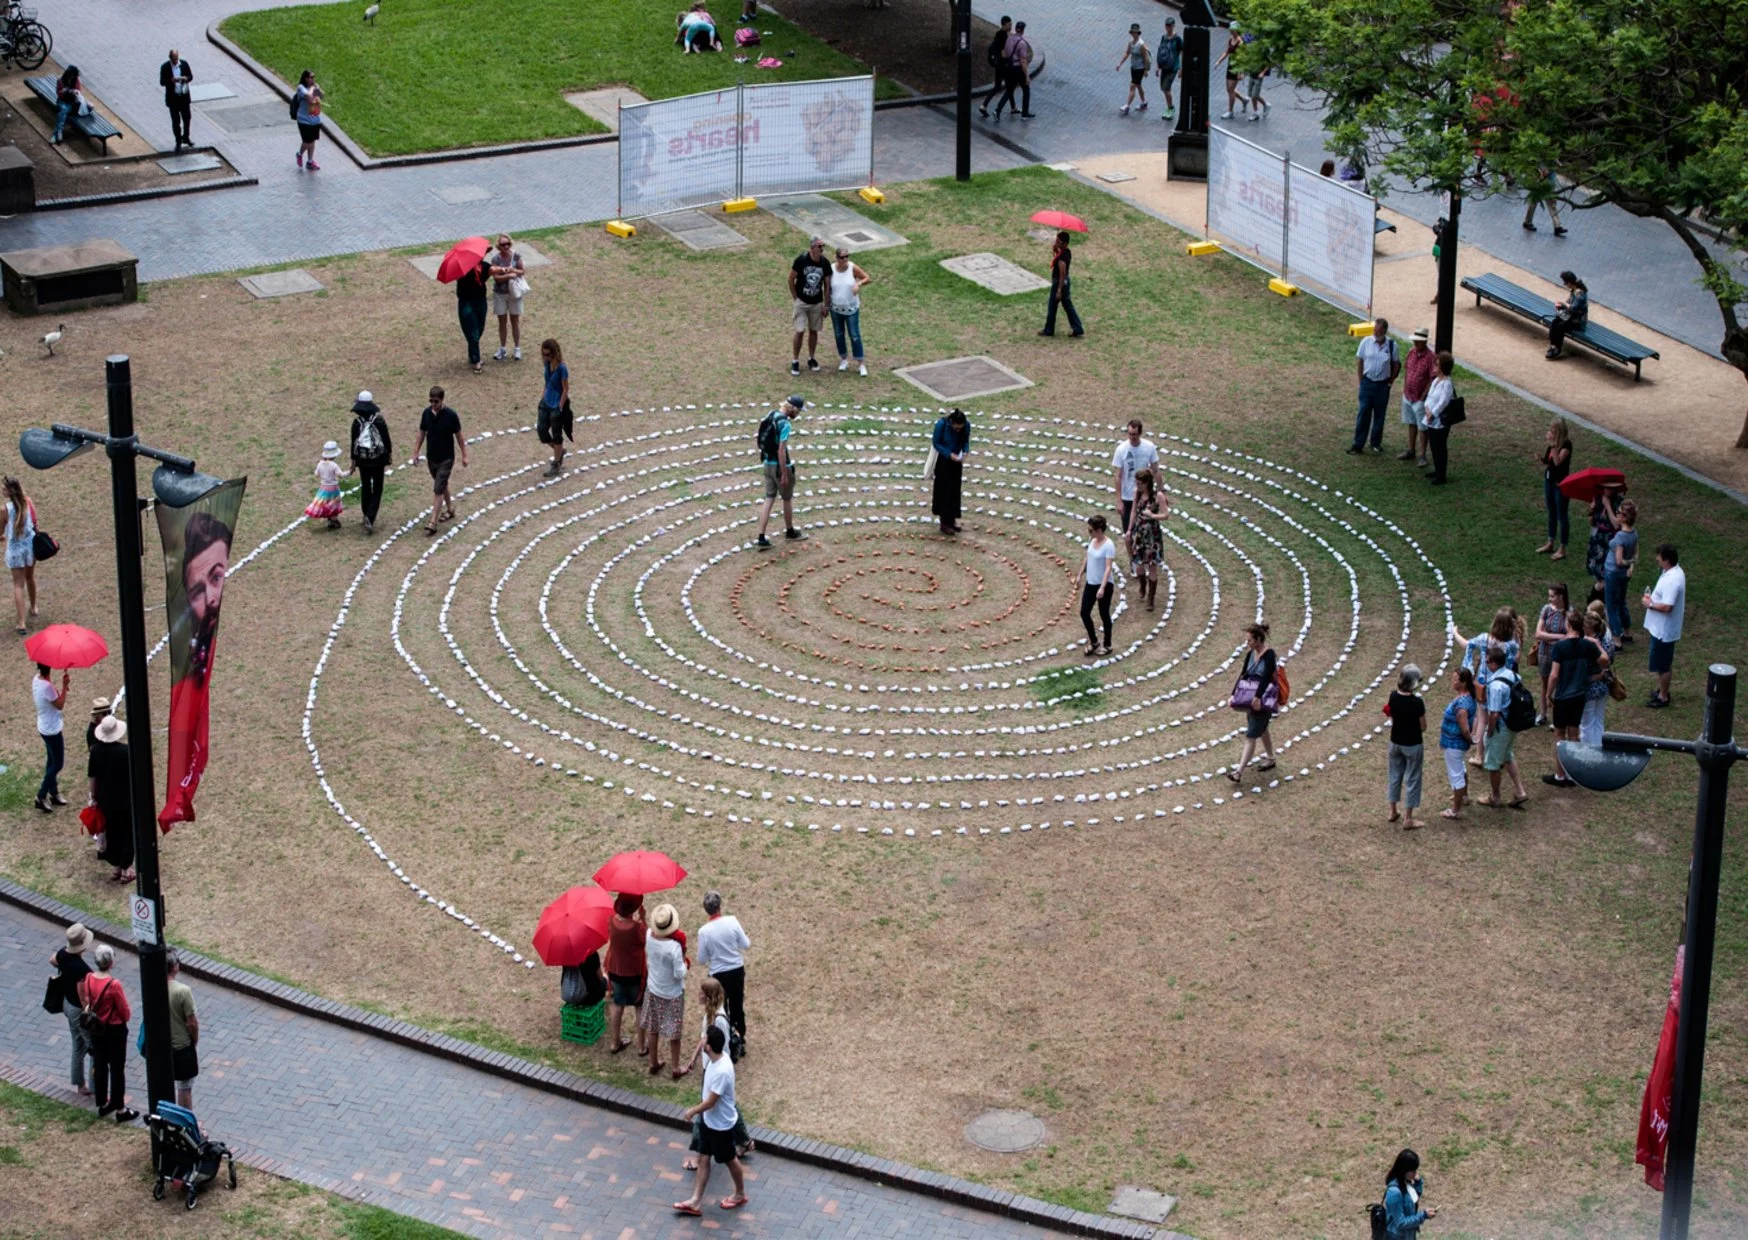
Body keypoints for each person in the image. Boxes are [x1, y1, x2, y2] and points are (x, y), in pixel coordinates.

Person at [672, 1026, 749, 1216]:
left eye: (705, 1039)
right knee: (703, 1157)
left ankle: (740, 1194)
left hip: (720, 1126)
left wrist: (692, 1111)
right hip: (709, 1121)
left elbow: (711, 1102)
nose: (702, 1040)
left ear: (709, 1046)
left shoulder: (722, 1071)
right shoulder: (715, 1058)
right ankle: (695, 1201)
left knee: (730, 1160)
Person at [1545, 608, 1606, 786]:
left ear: (1569, 625)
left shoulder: (1560, 647)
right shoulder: (1587, 646)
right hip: (1579, 696)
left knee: (1559, 735)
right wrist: (1597, 644)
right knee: (1574, 735)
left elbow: (1554, 675)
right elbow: (1605, 660)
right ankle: (1573, 774)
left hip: (1563, 696)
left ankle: (1560, 774)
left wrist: (1548, 694)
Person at [1454, 607, 1522, 765]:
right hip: (1503, 686)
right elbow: (1516, 659)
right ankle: (1500, 753)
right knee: (1500, 717)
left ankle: (1479, 755)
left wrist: (1455, 633)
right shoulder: (1511, 645)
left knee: (1482, 719)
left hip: (1484, 687)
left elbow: (1467, 645)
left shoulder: (1484, 639)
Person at [79, 944, 139, 1122]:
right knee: (117, 1068)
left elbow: (88, 1000)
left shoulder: (89, 978)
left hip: (97, 1028)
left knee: (100, 1063)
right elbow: (125, 1012)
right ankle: (120, 1108)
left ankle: (102, 1102)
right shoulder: (114, 985)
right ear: (111, 962)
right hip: (115, 1029)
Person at [409, 387, 468, 536]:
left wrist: (464, 455)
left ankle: (433, 522)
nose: (433, 404)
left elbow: (459, 436)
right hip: (432, 458)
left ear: (442, 400)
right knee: (441, 484)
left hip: (446, 458)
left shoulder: (451, 415)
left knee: (438, 489)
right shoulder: (426, 414)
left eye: (436, 401)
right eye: (431, 401)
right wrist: (416, 451)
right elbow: (422, 432)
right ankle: (450, 509)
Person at [695, 891, 751, 1047]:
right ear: (719, 906)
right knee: (737, 1005)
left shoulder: (704, 932)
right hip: (736, 970)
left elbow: (702, 959)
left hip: (718, 974)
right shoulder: (732, 921)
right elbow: (746, 944)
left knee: (720, 1008)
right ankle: (739, 1037)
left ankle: (724, 1039)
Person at [1477, 647, 1529, 809]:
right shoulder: (1513, 675)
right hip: (1513, 724)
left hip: (1501, 728)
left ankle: (1495, 797)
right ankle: (1520, 791)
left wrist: (1490, 732)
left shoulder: (1496, 686)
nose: (1486, 664)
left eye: (1487, 662)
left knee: (1493, 765)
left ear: (1494, 663)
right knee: (1507, 756)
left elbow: (1494, 713)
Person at [642, 903, 689, 1079]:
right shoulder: (674, 947)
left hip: (654, 988)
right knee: (674, 1033)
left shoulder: (649, 936)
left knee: (653, 1028)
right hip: (672, 994)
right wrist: (685, 963)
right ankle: (675, 1067)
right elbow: (679, 974)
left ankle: (653, 1062)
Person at [754, 395, 805, 549]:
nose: (798, 414)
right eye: (798, 411)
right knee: (787, 498)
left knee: (769, 498)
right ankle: (790, 532)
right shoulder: (785, 424)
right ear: (793, 409)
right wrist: (784, 473)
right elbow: (781, 450)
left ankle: (761, 537)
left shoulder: (770, 415)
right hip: (780, 466)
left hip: (767, 463)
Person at [1228, 622, 1278, 779]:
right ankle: (1271, 758)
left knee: (1251, 736)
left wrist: (1257, 697)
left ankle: (1238, 772)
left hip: (1263, 700)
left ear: (1258, 639)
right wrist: (1233, 694)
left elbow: (1266, 678)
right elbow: (1243, 675)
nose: (1247, 643)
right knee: (1262, 729)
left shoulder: (1269, 655)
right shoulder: (1250, 654)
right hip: (1250, 698)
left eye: (1249, 640)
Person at [89, 714, 134, 881]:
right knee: (126, 832)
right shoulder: (125, 751)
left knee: (111, 832)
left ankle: (115, 866)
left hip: (105, 800)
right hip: (124, 799)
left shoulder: (95, 751)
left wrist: (93, 797)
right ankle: (126, 869)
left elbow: (92, 777)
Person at [52, 923, 95, 1095]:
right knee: (94, 1048)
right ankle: (95, 1086)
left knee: (77, 1044)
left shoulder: (62, 954)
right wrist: (89, 1013)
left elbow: (52, 959)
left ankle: (79, 1084)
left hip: (67, 1004)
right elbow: (83, 997)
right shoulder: (82, 969)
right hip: (78, 1010)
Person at [1641, 543, 1685, 709]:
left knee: (1663, 665)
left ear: (1667, 560)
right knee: (1662, 663)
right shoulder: (1672, 573)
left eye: (1659, 557)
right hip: (1661, 629)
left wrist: (1650, 604)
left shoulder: (1673, 580)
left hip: (1663, 631)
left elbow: (1667, 607)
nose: (1657, 559)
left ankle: (1663, 696)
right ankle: (1662, 690)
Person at [1348, 318, 1400, 455]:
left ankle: (1375, 443)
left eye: (1379, 331)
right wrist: (1361, 381)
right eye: (1374, 330)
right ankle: (1358, 444)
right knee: (1363, 413)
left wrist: (1390, 382)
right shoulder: (1366, 342)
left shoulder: (1392, 346)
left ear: (1385, 331)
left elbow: (1396, 364)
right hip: (1367, 383)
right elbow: (1360, 361)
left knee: (1379, 415)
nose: (1376, 333)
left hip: (1382, 385)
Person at [605, 893, 647, 1055]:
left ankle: (615, 1042)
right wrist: (643, 918)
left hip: (616, 970)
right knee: (639, 1006)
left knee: (617, 1004)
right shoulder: (638, 928)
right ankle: (642, 1046)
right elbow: (647, 940)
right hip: (634, 972)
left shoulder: (612, 921)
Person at [1385, 665, 1426, 829]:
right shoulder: (1417, 702)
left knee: (1394, 775)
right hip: (1412, 744)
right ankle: (1408, 819)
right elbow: (1423, 726)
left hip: (1395, 742)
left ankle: (1392, 811)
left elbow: (1391, 717)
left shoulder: (1393, 696)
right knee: (1413, 779)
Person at [347, 391, 392, 535]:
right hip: (378, 461)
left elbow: (353, 443)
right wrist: (389, 455)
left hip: (363, 461)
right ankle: (370, 517)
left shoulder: (356, 423)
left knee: (365, 486)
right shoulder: (379, 421)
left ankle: (365, 513)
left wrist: (353, 460)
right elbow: (386, 439)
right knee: (378, 488)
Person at [1126, 467, 1169, 612]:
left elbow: (1166, 514)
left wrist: (1152, 515)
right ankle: (1142, 584)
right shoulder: (1136, 493)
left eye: (1140, 484)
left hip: (1152, 535)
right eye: (1137, 483)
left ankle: (1151, 598)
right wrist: (1129, 529)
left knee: (1152, 566)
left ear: (1147, 483)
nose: (1137, 486)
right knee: (1138, 564)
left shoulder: (1158, 496)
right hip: (1139, 533)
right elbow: (1133, 511)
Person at [1438, 667, 1477, 820]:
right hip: (1455, 744)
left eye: (1455, 679)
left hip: (1454, 744)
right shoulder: (1465, 698)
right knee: (1460, 768)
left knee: (1456, 776)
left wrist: (1469, 739)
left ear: (1464, 682)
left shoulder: (1462, 705)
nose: (1452, 681)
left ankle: (1455, 810)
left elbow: (1465, 729)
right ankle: (1464, 796)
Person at [1075, 514, 1117, 658]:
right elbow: (1087, 557)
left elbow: (1108, 568)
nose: (1089, 532)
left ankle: (1108, 645)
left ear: (1099, 530)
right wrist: (1080, 574)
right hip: (1091, 583)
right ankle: (1094, 642)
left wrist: (1102, 587)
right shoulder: (1092, 540)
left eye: (1091, 530)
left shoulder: (1109, 545)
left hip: (1104, 585)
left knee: (1104, 614)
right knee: (1084, 612)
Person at [788, 237, 831, 376]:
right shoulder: (801, 260)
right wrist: (796, 298)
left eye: (823, 246)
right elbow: (791, 278)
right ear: (812, 247)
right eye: (819, 246)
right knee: (799, 330)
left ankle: (811, 358)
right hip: (802, 302)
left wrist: (826, 305)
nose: (822, 249)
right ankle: (795, 360)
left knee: (814, 331)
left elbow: (827, 285)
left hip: (816, 303)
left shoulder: (824, 263)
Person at [165, 950, 200, 1111]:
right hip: (182, 1045)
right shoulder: (183, 991)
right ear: (175, 967)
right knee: (185, 1088)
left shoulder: (154, 986)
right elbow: (192, 1023)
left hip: (164, 1045)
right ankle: (184, 1119)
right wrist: (195, 1039)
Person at [828, 247, 872, 375]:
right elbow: (827, 286)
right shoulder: (831, 269)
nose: (845, 259)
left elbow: (867, 278)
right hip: (836, 308)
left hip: (851, 308)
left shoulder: (852, 268)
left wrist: (858, 284)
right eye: (842, 257)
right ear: (837, 258)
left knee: (855, 335)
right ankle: (844, 359)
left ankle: (860, 363)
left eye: (847, 256)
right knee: (839, 334)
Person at [1531, 581, 1570, 726]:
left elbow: (1569, 637)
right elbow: (1538, 634)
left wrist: (1548, 637)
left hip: (1561, 656)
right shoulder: (1546, 609)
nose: (1550, 599)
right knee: (1545, 684)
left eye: (1552, 596)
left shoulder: (1569, 613)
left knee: (1559, 684)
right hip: (1544, 653)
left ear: (1561, 596)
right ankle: (1543, 714)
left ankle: (1557, 717)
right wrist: (1558, 636)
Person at [32, 662, 69, 814]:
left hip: (44, 726)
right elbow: (60, 705)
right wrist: (64, 686)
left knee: (51, 761)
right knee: (57, 764)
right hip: (52, 730)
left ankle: (54, 793)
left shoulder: (36, 679)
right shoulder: (47, 687)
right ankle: (41, 795)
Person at [6, 476, 40, 635]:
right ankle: (34, 607)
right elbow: (35, 523)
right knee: (30, 578)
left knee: (18, 585)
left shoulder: (4, 509)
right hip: (30, 546)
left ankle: (21, 623)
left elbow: (0, 530)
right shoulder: (28, 502)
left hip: (15, 550)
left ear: (9, 492)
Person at [1397, 329, 1435, 466]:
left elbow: (1432, 378)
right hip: (1408, 395)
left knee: (1422, 428)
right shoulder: (1411, 352)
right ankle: (1411, 450)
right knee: (1411, 423)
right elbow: (1407, 370)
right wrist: (1405, 389)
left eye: (1418, 341)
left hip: (1420, 399)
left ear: (1424, 342)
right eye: (1415, 341)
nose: (1415, 343)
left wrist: (1423, 396)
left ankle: (1423, 455)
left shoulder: (1430, 357)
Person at [930, 408, 971, 535]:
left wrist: (965, 451)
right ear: (952, 422)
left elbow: (965, 441)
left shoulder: (966, 426)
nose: (958, 430)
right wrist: (949, 454)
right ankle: (944, 523)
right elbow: (936, 443)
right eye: (956, 428)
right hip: (943, 461)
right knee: (944, 491)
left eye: (960, 428)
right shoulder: (941, 425)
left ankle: (952, 520)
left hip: (956, 462)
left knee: (954, 491)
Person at [1537, 419, 1573, 559]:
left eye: (1553, 429)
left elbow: (1558, 462)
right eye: (1550, 428)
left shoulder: (1566, 444)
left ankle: (1562, 548)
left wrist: (1552, 445)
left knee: (1561, 515)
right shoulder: (1553, 444)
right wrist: (1541, 459)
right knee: (1551, 512)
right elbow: (1549, 461)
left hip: (1560, 484)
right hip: (1549, 481)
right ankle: (1550, 542)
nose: (1551, 431)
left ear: (1559, 430)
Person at [488, 235, 526, 363]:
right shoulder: (495, 259)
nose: (506, 246)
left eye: (507, 244)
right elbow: (496, 278)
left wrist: (513, 270)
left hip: (514, 293)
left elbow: (522, 271)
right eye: (503, 244)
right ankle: (503, 348)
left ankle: (517, 349)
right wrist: (510, 275)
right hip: (500, 294)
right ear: (498, 246)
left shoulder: (516, 256)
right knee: (502, 322)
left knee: (515, 321)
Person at [537, 338, 572, 477]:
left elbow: (565, 389)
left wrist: (560, 406)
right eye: (544, 354)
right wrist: (542, 398)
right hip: (546, 402)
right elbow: (547, 383)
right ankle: (560, 451)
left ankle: (556, 463)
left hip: (556, 405)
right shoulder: (547, 365)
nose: (546, 357)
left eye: (548, 354)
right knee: (542, 431)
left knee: (557, 435)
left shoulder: (562, 368)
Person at [1383, 1149, 1436, 1238]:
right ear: (1404, 1170)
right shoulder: (1394, 1192)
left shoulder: (1405, 1183)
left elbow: (1413, 1199)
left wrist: (1418, 1183)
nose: (1415, 1173)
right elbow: (1400, 1222)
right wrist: (1423, 1215)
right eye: (1413, 1171)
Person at [1040, 230, 1084, 337]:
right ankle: (1078, 328)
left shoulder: (1062, 257)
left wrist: (1059, 290)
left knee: (1052, 306)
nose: (1056, 242)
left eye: (1058, 241)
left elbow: (1062, 273)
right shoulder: (1066, 252)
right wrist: (1056, 251)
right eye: (1056, 240)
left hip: (1059, 284)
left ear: (1065, 243)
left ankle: (1049, 330)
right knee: (1068, 306)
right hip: (1064, 283)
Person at [1421, 351, 1456, 484]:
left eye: (1437, 365)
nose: (1434, 367)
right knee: (1434, 446)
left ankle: (1441, 475)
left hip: (1440, 421)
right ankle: (1437, 470)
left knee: (1439, 447)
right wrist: (1427, 410)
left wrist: (1432, 413)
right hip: (1431, 418)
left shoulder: (1446, 384)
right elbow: (1429, 397)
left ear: (1443, 367)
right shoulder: (1436, 381)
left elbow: (1443, 402)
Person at [455, 251, 491, 373]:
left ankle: (472, 354)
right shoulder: (462, 268)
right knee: (472, 330)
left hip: (480, 301)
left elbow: (492, 270)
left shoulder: (484, 266)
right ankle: (476, 360)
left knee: (480, 327)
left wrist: (504, 270)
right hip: (466, 302)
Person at [1584, 478, 1625, 586]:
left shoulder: (1620, 503)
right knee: (1596, 569)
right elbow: (1593, 521)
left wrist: (1607, 506)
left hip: (1609, 539)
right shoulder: (1598, 498)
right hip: (1597, 538)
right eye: (1606, 488)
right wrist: (1591, 510)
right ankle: (1599, 585)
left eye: (1611, 488)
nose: (1608, 490)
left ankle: (1603, 588)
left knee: (1606, 570)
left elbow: (1616, 524)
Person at [994, 21, 1034, 121]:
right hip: (1018, 69)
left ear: (1015, 29)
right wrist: (1027, 75)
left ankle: (997, 110)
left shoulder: (1009, 39)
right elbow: (1023, 61)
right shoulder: (1022, 43)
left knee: (1009, 90)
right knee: (1026, 89)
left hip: (1010, 68)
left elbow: (1005, 54)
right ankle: (1025, 114)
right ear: (1023, 31)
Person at [1545, 270, 1589, 359]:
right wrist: (1561, 305)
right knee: (1555, 322)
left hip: (1577, 320)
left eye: (1565, 282)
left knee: (1561, 326)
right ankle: (1553, 345)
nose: (1564, 284)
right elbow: (1569, 302)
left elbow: (1573, 308)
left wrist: (1563, 304)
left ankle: (1557, 347)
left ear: (1569, 282)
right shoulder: (1574, 290)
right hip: (1571, 316)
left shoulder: (1579, 293)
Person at [978, 16, 1013, 118]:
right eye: (1009, 24)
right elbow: (1003, 53)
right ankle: (999, 110)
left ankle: (984, 105)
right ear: (1004, 24)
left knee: (998, 86)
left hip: (998, 65)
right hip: (1002, 65)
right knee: (1010, 86)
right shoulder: (1003, 37)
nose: (1011, 26)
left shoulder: (999, 35)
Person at [305, 441, 345, 530]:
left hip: (323, 487)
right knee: (334, 503)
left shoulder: (320, 464)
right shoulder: (334, 465)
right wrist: (350, 471)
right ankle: (333, 519)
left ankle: (330, 519)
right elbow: (341, 474)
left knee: (325, 502)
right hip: (333, 488)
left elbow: (316, 474)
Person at [160, 49, 194, 149]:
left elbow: (190, 76)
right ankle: (178, 141)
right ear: (170, 58)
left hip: (184, 97)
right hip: (173, 99)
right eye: (173, 59)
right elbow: (162, 82)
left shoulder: (184, 64)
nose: (175, 61)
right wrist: (171, 81)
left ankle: (186, 137)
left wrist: (185, 79)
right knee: (176, 121)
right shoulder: (165, 67)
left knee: (187, 118)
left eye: (176, 58)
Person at [1116, 23, 1151, 115]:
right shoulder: (1130, 43)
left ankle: (1127, 106)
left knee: (1133, 86)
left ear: (1138, 33)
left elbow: (1146, 57)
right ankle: (1144, 103)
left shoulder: (1141, 44)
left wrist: (1146, 70)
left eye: (1135, 32)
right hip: (1133, 68)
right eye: (1132, 32)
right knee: (1138, 86)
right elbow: (1127, 53)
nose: (1134, 33)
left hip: (1140, 68)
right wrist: (1120, 63)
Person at [292, 70, 324, 171]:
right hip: (304, 120)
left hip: (315, 119)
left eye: (314, 77)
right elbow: (309, 98)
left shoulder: (314, 87)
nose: (313, 79)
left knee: (312, 141)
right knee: (307, 141)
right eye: (311, 77)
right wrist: (312, 88)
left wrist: (318, 89)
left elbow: (322, 96)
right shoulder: (301, 88)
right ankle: (299, 154)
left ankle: (310, 161)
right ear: (306, 78)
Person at [1214, 26, 1248, 120]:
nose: (1231, 32)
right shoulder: (1230, 39)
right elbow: (1226, 52)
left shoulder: (1240, 42)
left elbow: (1242, 57)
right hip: (1230, 66)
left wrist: (1240, 72)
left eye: (1233, 30)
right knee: (1229, 89)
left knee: (1231, 90)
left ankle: (1230, 111)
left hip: (1236, 67)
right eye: (1230, 30)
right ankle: (1244, 100)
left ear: (1236, 30)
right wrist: (1219, 61)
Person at [1522, 167, 1567, 236]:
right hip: (1539, 180)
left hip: (1549, 182)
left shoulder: (1551, 163)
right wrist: (1541, 171)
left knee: (1551, 203)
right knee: (1534, 202)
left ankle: (1557, 226)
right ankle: (1527, 222)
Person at [1156, 18, 1182, 120]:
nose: (1168, 27)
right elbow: (1161, 52)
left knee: (1166, 88)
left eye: (1170, 25)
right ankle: (1169, 108)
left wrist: (1181, 68)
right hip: (1164, 66)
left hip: (1173, 67)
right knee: (1163, 88)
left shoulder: (1177, 39)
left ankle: (1171, 108)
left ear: (1173, 26)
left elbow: (1182, 52)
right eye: (1166, 25)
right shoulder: (1164, 37)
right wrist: (1158, 67)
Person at [51, 66, 83, 146]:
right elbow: (59, 93)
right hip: (62, 101)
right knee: (63, 109)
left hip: (71, 102)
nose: (72, 77)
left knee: (63, 111)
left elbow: (78, 92)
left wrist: (74, 92)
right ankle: (59, 132)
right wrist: (63, 91)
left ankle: (57, 133)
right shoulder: (61, 81)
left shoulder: (76, 80)